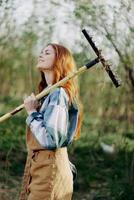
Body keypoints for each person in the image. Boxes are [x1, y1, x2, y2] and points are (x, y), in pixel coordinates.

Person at [19, 43, 83, 200]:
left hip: (50, 169)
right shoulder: (48, 93)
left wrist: (32, 112)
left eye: (47, 53)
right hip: (40, 167)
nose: (41, 54)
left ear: (59, 60)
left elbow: (50, 139)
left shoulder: (58, 94)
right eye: (41, 52)